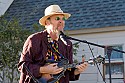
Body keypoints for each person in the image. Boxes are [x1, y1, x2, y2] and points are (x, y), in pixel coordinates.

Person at [18, 5, 88, 83]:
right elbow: (22, 66)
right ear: (47, 22)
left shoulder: (67, 44)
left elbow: (67, 73)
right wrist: (43, 69)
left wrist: (77, 71)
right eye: (57, 18)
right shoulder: (34, 39)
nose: (61, 21)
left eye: (63, 19)